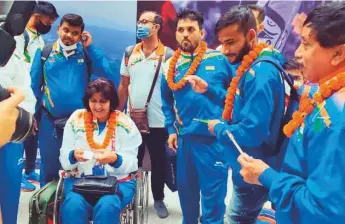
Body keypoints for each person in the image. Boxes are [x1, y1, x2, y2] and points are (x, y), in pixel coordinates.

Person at [238, 2, 345, 223]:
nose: (297, 53)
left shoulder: (334, 119)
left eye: (306, 45)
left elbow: (323, 212)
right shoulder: (324, 93)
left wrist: (265, 176)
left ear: (339, 53)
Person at [186, 5, 287, 223]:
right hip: (249, 168)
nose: (224, 50)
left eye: (230, 42)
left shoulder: (260, 73)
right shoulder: (251, 67)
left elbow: (252, 132)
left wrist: (219, 128)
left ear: (251, 35)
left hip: (252, 173)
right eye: (222, 43)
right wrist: (209, 90)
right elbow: (240, 105)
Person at [161, 8, 233, 224]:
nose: (185, 34)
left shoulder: (220, 60)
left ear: (201, 33)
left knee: (213, 205)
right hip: (185, 143)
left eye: (190, 29)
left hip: (214, 143)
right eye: (180, 29)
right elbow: (166, 102)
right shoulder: (169, 67)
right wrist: (171, 129)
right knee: (188, 202)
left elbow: (233, 97)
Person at [30, 13, 115, 187]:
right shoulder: (45, 53)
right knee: (49, 165)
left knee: (79, 166)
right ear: (58, 29)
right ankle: (47, 207)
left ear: (81, 35)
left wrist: (90, 48)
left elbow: (109, 74)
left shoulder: (85, 54)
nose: (69, 35)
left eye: (75, 33)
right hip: (49, 120)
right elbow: (33, 86)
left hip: (80, 123)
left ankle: (72, 207)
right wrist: (33, 114)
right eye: (66, 30)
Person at [59, 78, 141, 224]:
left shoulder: (125, 123)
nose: (97, 106)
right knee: (72, 205)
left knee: (107, 206)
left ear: (111, 102)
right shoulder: (75, 119)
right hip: (79, 181)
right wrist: (73, 156)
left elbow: (133, 162)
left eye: (103, 101)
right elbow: (64, 158)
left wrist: (114, 159)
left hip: (117, 183)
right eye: (93, 100)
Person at [117, 11, 172, 218]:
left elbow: (173, 91)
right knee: (132, 161)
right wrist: (116, 113)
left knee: (159, 162)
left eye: (145, 22)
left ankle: (158, 199)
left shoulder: (168, 55)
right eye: (139, 21)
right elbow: (124, 85)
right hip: (132, 121)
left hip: (159, 121)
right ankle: (128, 197)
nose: (140, 25)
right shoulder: (130, 52)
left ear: (156, 27)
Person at [17, 1, 59, 192]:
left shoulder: (40, 41)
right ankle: (16, 176)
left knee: (32, 133)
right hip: (19, 95)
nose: (49, 24)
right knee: (17, 135)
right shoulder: (20, 36)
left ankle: (28, 170)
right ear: (37, 16)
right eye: (48, 19)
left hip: (34, 95)